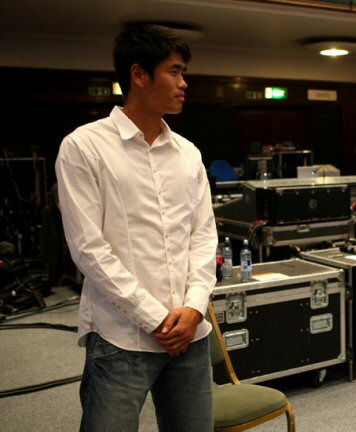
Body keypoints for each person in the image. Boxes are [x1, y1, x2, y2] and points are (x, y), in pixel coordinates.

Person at [55, 24, 217, 431]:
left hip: (190, 334)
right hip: (121, 337)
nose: (184, 83)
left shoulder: (188, 153)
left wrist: (194, 307)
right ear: (138, 75)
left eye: (183, 73)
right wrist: (155, 318)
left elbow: (203, 236)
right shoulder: (84, 146)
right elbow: (88, 248)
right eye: (174, 71)